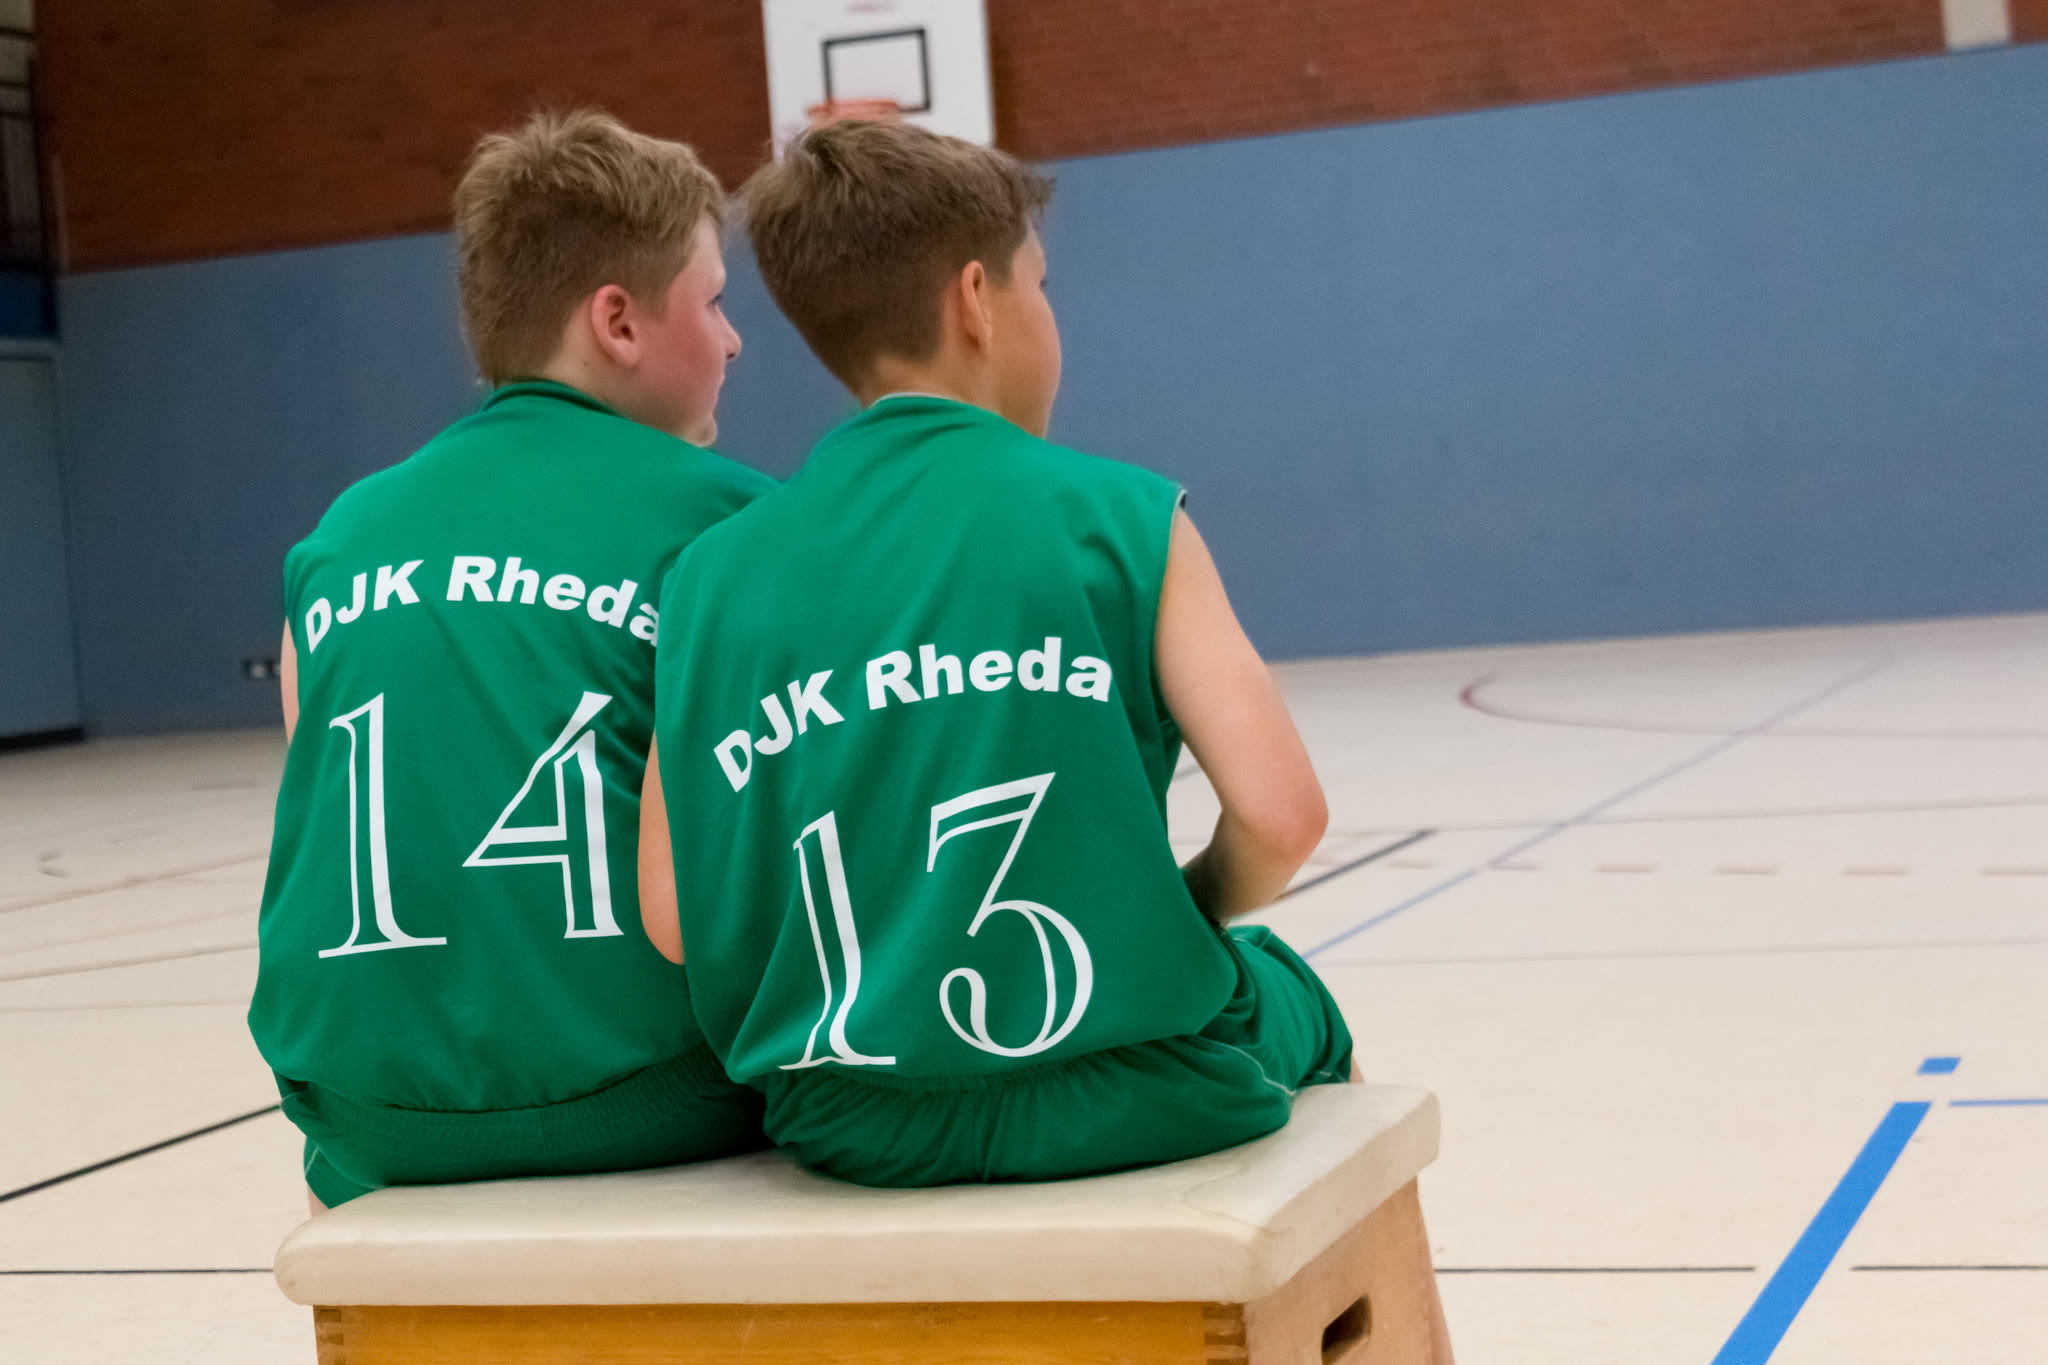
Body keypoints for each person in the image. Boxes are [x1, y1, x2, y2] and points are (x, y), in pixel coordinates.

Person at [644, 118, 1355, 1189]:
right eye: (1040, 284)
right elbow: (1283, 816)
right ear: (976, 300)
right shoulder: (1120, 516)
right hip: (1129, 1087)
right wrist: (1188, 909)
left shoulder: (707, 574)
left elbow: (674, 920)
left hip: (846, 1117)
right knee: (1298, 1004)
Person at [250, 110, 773, 1211]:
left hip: (361, 1112)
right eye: (714, 301)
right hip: (656, 1091)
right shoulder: (733, 522)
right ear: (618, 321)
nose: (732, 342)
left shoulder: (338, 537)